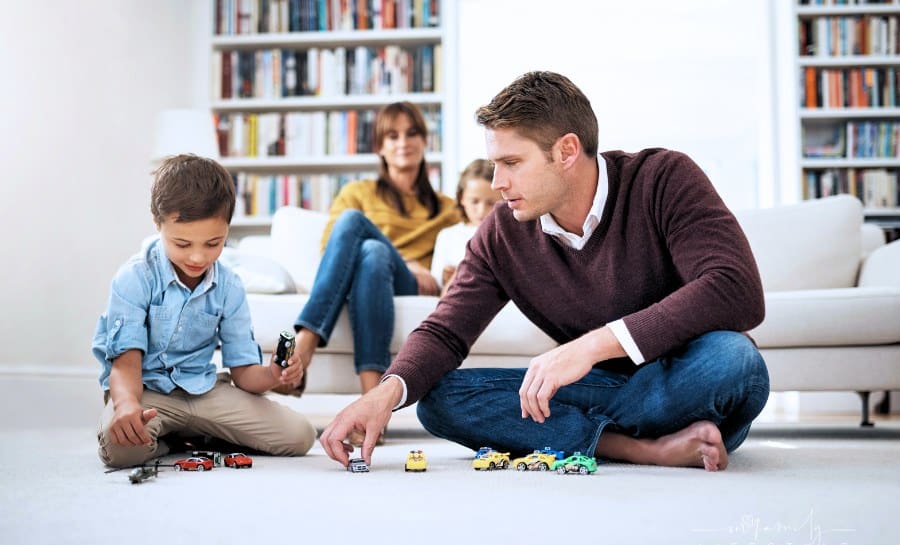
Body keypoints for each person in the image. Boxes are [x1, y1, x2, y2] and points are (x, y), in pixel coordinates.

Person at [319, 71, 770, 472]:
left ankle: (596, 436)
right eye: (495, 165)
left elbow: (736, 289)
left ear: (567, 151)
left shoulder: (662, 178)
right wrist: (383, 394)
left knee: (734, 361)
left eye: (511, 163)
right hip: (603, 392)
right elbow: (445, 331)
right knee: (437, 400)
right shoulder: (502, 232)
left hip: (678, 376)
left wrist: (591, 347)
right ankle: (642, 448)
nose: (497, 183)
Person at [92, 154, 316, 468]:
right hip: (145, 392)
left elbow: (245, 374)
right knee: (121, 449)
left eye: (213, 243)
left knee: (299, 436)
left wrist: (274, 375)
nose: (198, 257)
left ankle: (197, 434)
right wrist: (127, 404)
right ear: (158, 223)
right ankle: (178, 439)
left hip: (203, 391)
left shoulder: (229, 286)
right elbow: (125, 363)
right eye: (182, 244)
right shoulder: (134, 277)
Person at [280, 101, 459, 400]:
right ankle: (373, 402)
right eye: (393, 136)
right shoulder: (357, 193)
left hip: (410, 284)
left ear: (424, 141)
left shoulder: (447, 208)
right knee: (373, 251)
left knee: (362, 233)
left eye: (411, 133)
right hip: (368, 280)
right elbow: (331, 249)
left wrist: (417, 266)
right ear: (380, 146)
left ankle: (306, 343)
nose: (403, 142)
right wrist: (405, 258)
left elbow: (469, 247)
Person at [430, 159, 501, 295]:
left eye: (491, 203)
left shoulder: (505, 235)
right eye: (474, 201)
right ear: (462, 198)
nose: (481, 211)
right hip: (457, 292)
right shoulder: (447, 235)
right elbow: (436, 280)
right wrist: (444, 276)